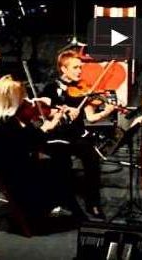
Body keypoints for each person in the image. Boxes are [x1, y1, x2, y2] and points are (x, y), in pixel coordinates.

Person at [0, 76, 83, 220]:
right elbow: (32, 142)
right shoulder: (6, 124)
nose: (26, 100)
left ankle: (62, 206)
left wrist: (48, 124)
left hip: (18, 166)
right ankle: (63, 209)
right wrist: (45, 127)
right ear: (12, 99)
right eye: (21, 96)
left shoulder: (0, 117)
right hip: (16, 175)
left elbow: (28, 138)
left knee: (60, 159)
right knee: (61, 165)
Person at [39, 50, 117, 219]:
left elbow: (91, 117)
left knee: (92, 159)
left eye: (80, 67)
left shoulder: (83, 88)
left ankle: (93, 203)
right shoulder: (50, 88)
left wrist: (106, 111)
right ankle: (63, 202)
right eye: (75, 67)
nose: (80, 71)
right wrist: (65, 110)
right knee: (61, 161)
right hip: (58, 135)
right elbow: (44, 111)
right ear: (63, 69)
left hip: (77, 134)